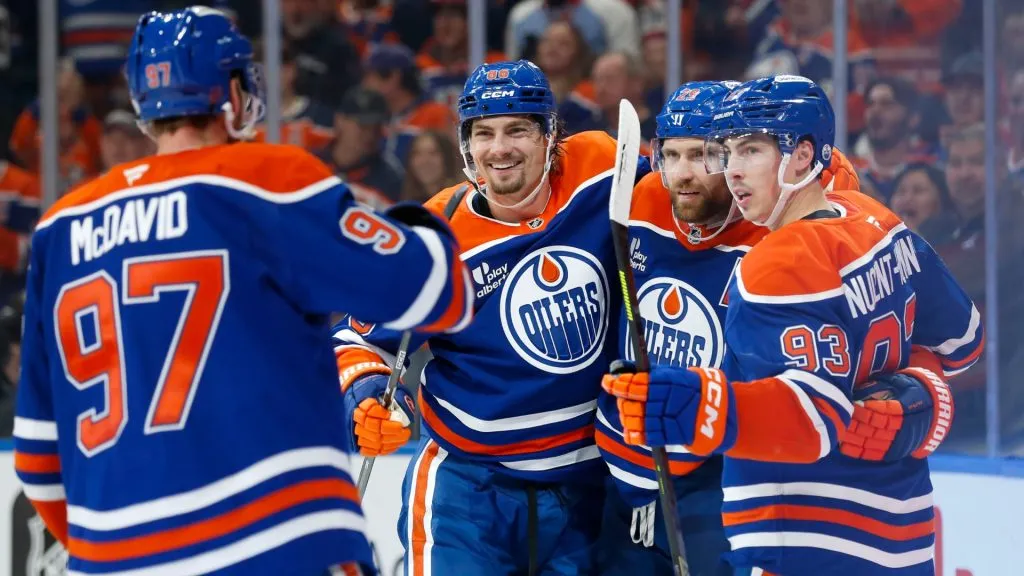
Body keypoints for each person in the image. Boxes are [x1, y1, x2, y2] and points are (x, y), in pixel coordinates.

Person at [13, 7, 472, 575]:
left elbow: (36, 456)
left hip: (113, 557)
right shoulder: (264, 179)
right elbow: (437, 292)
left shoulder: (61, 227)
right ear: (233, 91)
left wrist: (117, 546)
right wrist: (425, 226)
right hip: (276, 540)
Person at [603, 75, 983, 575]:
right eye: (728, 152)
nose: (733, 171)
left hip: (802, 535)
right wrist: (920, 390)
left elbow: (814, 418)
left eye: (752, 150)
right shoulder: (875, 220)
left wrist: (703, 407)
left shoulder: (774, 264)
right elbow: (964, 341)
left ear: (803, 156)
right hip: (902, 532)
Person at [332, 59, 650, 574]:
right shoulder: (434, 238)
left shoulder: (602, 168)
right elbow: (355, 338)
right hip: (468, 491)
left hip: (586, 489)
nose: (499, 148)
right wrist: (366, 399)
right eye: (484, 133)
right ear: (467, 145)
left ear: (551, 136)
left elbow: (686, 196)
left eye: (517, 130)